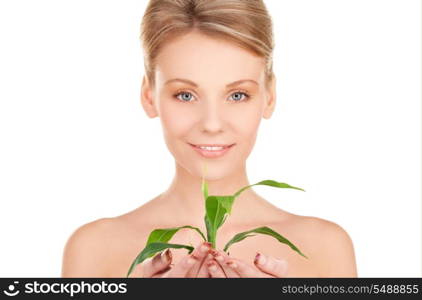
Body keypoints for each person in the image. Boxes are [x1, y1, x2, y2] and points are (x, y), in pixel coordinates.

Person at [61, 0, 358, 278]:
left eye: (238, 95)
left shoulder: (325, 249)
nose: (212, 124)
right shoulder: (94, 250)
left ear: (269, 96)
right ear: (148, 95)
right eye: (185, 95)